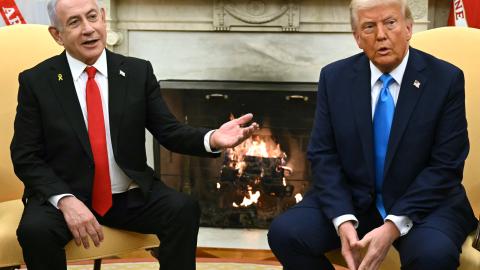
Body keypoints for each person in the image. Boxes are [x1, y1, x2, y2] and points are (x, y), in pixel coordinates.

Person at [10, 0, 259, 269]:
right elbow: (25, 155)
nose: (88, 29)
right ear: (57, 35)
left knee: (182, 209)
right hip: (65, 195)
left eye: (92, 17)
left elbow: (169, 131)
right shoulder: (37, 81)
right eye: (74, 22)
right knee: (35, 231)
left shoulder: (137, 72)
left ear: (103, 18)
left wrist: (212, 139)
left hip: (128, 197)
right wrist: (65, 201)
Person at [267, 0, 477, 269]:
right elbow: (323, 154)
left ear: (408, 28)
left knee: (432, 256)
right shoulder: (335, 78)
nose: (381, 35)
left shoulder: (444, 79)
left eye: (390, 23)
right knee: (286, 234)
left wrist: (392, 225)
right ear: (357, 38)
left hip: (425, 204)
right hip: (354, 201)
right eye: (369, 27)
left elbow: (446, 165)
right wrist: (342, 218)